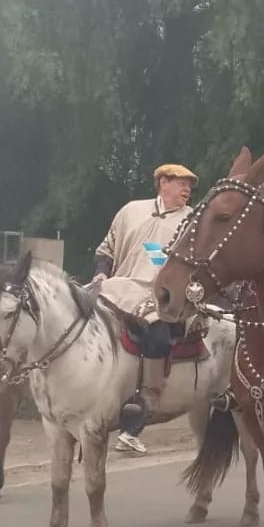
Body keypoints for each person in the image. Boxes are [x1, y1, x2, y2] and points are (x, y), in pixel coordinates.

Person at [93, 163, 198, 454]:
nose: (187, 190)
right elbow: (106, 250)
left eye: (190, 185)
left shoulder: (192, 220)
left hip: (161, 293)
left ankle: (144, 408)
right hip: (119, 286)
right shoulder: (130, 211)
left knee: (159, 333)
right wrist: (102, 272)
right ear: (162, 182)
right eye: (181, 183)